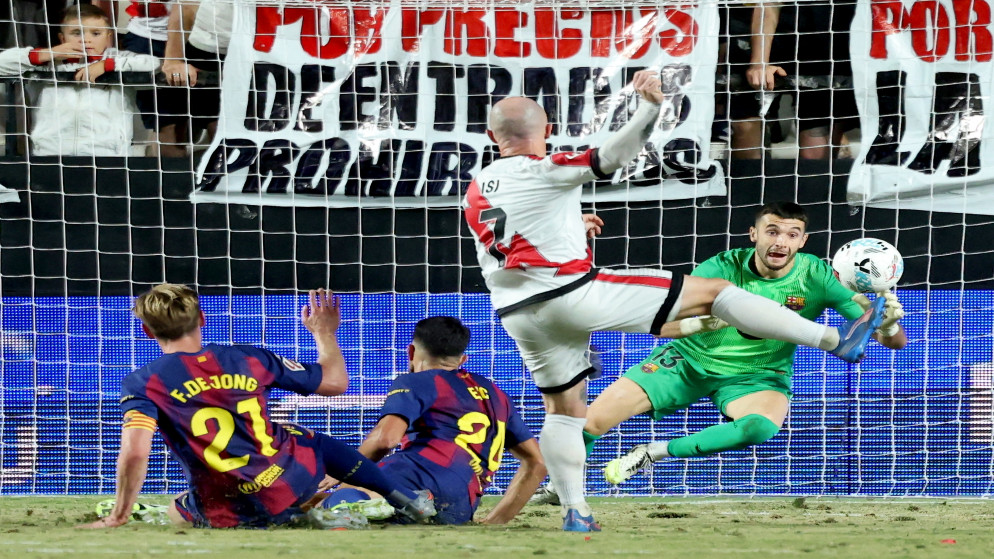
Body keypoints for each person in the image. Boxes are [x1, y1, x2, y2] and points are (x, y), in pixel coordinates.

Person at [465, 71, 888, 531]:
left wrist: (572, 229)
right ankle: (834, 340)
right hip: (576, 294)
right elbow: (610, 158)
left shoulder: (477, 188)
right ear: (547, 131)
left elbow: (520, 239)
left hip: (519, 314)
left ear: (490, 135)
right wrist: (648, 106)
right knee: (718, 293)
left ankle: (576, 512)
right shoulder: (545, 168)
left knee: (564, 416)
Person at [535, 202, 906, 502]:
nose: (780, 242)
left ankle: (652, 453)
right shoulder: (720, 267)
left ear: (803, 240)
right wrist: (700, 324)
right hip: (687, 362)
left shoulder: (818, 277)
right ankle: (557, 487)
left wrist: (887, 325)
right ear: (754, 234)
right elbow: (666, 324)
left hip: (757, 376)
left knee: (760, 427)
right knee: (588, 423)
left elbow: (890, 342)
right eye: (772, 231)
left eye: (791, 234)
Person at [79, 284, 435, 529]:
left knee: (180, 506)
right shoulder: (247, 358)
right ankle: (402, 499)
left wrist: (119, 514)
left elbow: (135, 453)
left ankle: (299, 516)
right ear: (202, 319)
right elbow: (335, 383)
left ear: (146, 331)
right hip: (290, 479)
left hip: (227, 507)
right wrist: (324, 332)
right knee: (304, 438)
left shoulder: (143, 383)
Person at [319, 316, 546, 525]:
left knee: (333, 504)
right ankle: (387, 506)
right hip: (459, 506)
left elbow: (385, 439)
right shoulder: (498, 395)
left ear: (411, 351)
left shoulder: (417, 381)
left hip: (414, 476)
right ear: (462, 359)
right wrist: (495, 521)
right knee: (356, 501)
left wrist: (345, 470)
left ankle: (365, 504)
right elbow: (538, 462)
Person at [0, 3, 160, 156]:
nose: (86, 39)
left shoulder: (119, 59)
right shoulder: (48, 63)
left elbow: (154, 64)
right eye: (77, 33)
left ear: (108, 36)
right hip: (50, 153)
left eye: (96, 33)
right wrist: (45, 54)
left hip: (109, 155)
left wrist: (107, 65)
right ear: (62, 38)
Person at [746, 1, 859, 159]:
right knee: (816, 156)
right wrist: (759, 62)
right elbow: (769, 5)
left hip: (861, 49)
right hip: (812, 51)